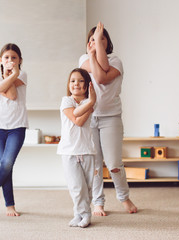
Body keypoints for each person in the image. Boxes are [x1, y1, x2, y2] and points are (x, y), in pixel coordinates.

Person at [79, 22, 137, 216]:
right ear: (89, 44)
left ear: (107, 42)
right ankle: (98, 202)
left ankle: (124, 197)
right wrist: (91, 54)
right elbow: (98, 72)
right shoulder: (83, 60)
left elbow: (102, 77)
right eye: (92, 39)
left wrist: (96, 49)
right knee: (95, 165)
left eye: (100, 38)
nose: (96, 41)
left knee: (113, 164)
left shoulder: (116, 60)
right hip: (90, 118)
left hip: (111, 118)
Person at [0, 43, 28, 216]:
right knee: (7, 166)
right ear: (0, 60)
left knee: (7, 163)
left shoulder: (23, 75)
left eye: (14, 58)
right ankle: (10, 206)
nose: (10, 60)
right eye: (6, 58)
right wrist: (10, 76)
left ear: (19, 60)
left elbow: (12, 95)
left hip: (17, 127)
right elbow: (5, 90)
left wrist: (13, 75)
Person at [57, 68, 96, 228]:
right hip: (69, 151)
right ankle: (83, 214)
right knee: (76, 186)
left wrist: (90, 103)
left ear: (87, 86)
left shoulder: (88, 102)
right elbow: (76, 119)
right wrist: (91, 103)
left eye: (80, 81)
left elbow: (81, 118)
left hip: (87, 150)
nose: (76, 84)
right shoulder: (66, 101)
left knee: (87, 187)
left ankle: (80, 213)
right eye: (72, 80)